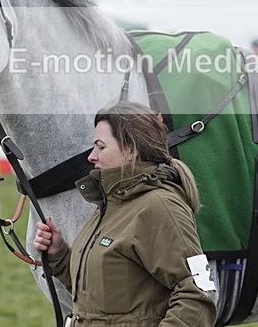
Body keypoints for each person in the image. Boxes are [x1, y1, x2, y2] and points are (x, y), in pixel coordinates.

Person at [34, 101, 217, 326]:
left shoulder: (159, 206)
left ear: (131, 150)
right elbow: (98, 298)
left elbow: (198, 293)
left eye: (101, 147)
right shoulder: (111, 204)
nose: (91, 156)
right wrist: (59, 253)